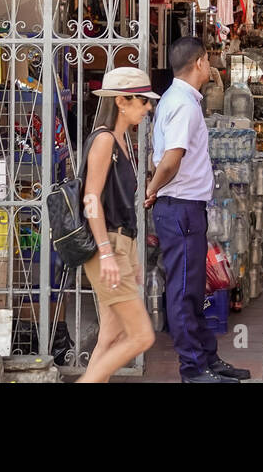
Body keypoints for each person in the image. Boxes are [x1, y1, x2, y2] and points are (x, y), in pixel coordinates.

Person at [146, 37, 251, 383]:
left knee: (193, 290)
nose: (212, 67)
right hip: (179, 208)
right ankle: (194, 368)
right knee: (183, 291)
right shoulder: (184, 105)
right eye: (209, 61)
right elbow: (172, 159)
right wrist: (153, 188)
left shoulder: (177, 100)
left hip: (186, 208)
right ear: (200, 62)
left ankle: (207, 359)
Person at [77, 67, 159, 383]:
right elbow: (91, 199)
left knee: (110, 338)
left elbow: (123, 203)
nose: (147, 107)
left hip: (119, 244)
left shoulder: (122, 139)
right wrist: (107, 252)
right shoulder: (104, 140)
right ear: (122, 101)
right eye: (142, 101)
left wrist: (131, 252)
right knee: (141, 336)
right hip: (106, 246)